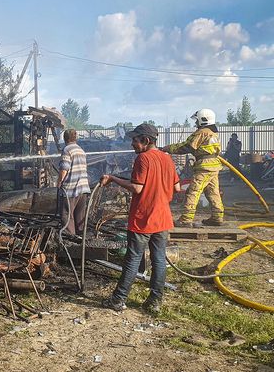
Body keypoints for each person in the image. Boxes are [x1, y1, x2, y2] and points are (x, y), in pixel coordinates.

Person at [101, 123, 180, 313]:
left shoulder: (143, 159)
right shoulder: (167, 159)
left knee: (133, 259)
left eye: (134, 140)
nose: (132, 144)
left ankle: (118, 300)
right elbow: (177, 188)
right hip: (162, 219)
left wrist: (113, 179)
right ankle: (154, 302)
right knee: (159, 259)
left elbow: (137, 188)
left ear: (145, 140)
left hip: (143, 219)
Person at [161, 108, 224, 227]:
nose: (195, 123)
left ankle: (185, 219)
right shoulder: (213, 132)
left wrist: (167, 148)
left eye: (197, 120)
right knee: (212, 192)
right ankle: (217, 217)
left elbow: (187, 146)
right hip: (214, 165)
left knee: (193, 191)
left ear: (203, 120)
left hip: (204, 167)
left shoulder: (202, 132)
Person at [57, 129, 90, 236]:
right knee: (80, 215)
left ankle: (69, 239)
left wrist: (59, 182)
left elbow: (64, 169)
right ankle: (81, 237)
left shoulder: (67, 150)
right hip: (83, 188)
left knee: (67, 214)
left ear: (65, 139)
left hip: (71, 189)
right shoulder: (81, 150)